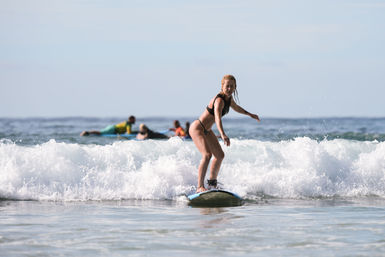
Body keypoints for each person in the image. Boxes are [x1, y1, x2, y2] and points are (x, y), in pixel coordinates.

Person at [189, 75, 260, 193]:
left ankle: (212, 183)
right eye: (227, 86)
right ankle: (199, 187)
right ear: (222, 86)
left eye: (232, 86)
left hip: (207, 130)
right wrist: (222, 134)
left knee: (220, 155)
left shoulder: (229, 99)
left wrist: (250, 114)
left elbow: (236, 108)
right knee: (207, 155)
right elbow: (217, 118)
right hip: (198, 128)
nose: (229, 88)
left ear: (235, 87)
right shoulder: (219, 100)